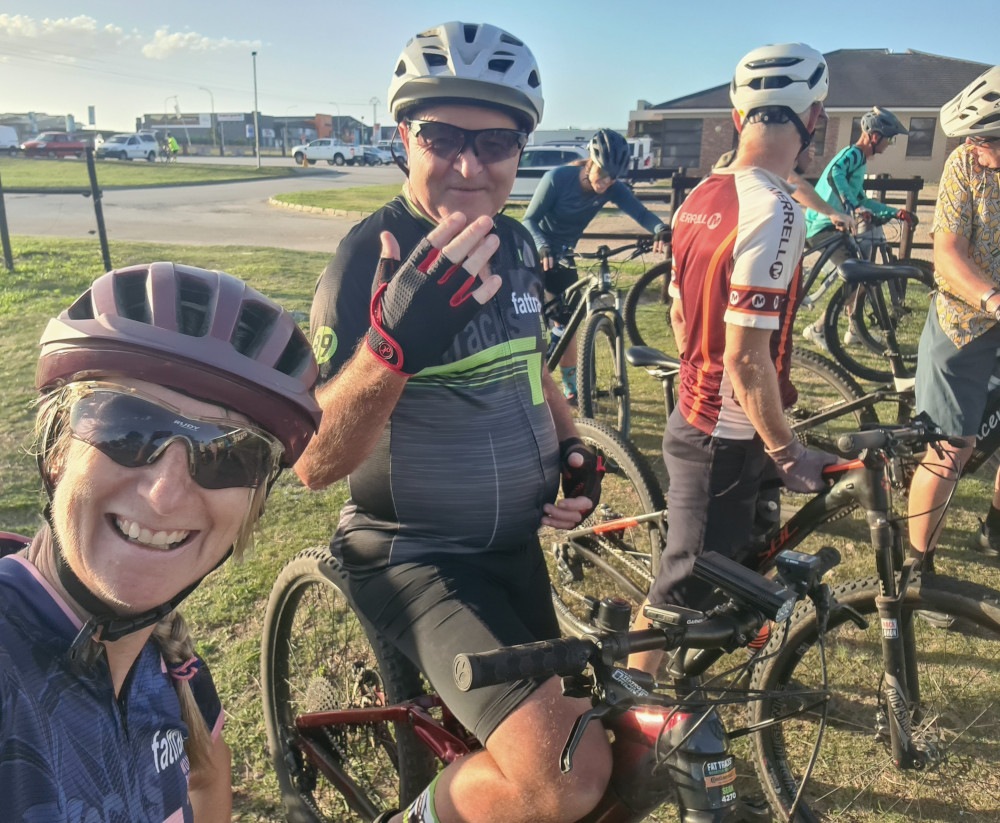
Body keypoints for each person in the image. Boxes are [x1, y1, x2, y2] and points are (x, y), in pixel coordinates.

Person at [295, 21, 608, 823]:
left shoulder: (518, 242)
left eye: (495, 143)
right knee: (562, 772)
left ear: (521, 151)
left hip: (514, 548)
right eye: (443, 137)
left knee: (582, 741)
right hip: (414, 554)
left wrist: (573, 445)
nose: (470, 166)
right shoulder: (366, 258)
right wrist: (392, 348)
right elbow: (313, 461)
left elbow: (537, 365)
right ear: (405, 136)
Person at [0, 262, 321, 821]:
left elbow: (208, 776)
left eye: (229, 455)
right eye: (126, 428)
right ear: (56, 451)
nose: (165, 495)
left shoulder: (171, 669)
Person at [628, 43, 838, 674]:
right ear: (815, 116)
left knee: (740, 560)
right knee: (679, 591)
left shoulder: (702, 192)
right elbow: (747, 362)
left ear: (737, 113)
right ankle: (626, 706)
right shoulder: (776, 211)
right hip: (724, 431)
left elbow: (677, 313)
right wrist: (787, 452)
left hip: (701, 411)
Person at [908, 66, 1000, 564]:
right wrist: (994, 300)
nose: (973, 146)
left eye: (983, 139)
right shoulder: (966, 163)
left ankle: (996, 531)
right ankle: (917, 568)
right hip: (964, 323)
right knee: (949, 450)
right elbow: (947, 252)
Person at [522, 128, 667, 403]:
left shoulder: (612, 187)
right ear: (591, 162)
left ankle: (571, 388)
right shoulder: (557, 179)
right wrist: (542, 246)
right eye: (603, 173)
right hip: (535, 252)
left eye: (614, 177)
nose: (607, 182)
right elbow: (529, 220)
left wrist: (660, 229)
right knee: (532, 322)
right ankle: (527, 379)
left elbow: (640, 212)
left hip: (564, 256)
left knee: (567, 325)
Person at [800, 106, 915, 347]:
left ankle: (849, 329)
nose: (889, 144)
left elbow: (862, 199)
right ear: (875, 136)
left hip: (832, 226)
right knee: (856, 275)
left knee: (860, 273)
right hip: (821, 225)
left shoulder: (860, 162)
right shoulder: (852, 154)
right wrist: (851, 206)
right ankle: (819, 328)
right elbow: (835, 174)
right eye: (889, 139)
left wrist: (894, 212)